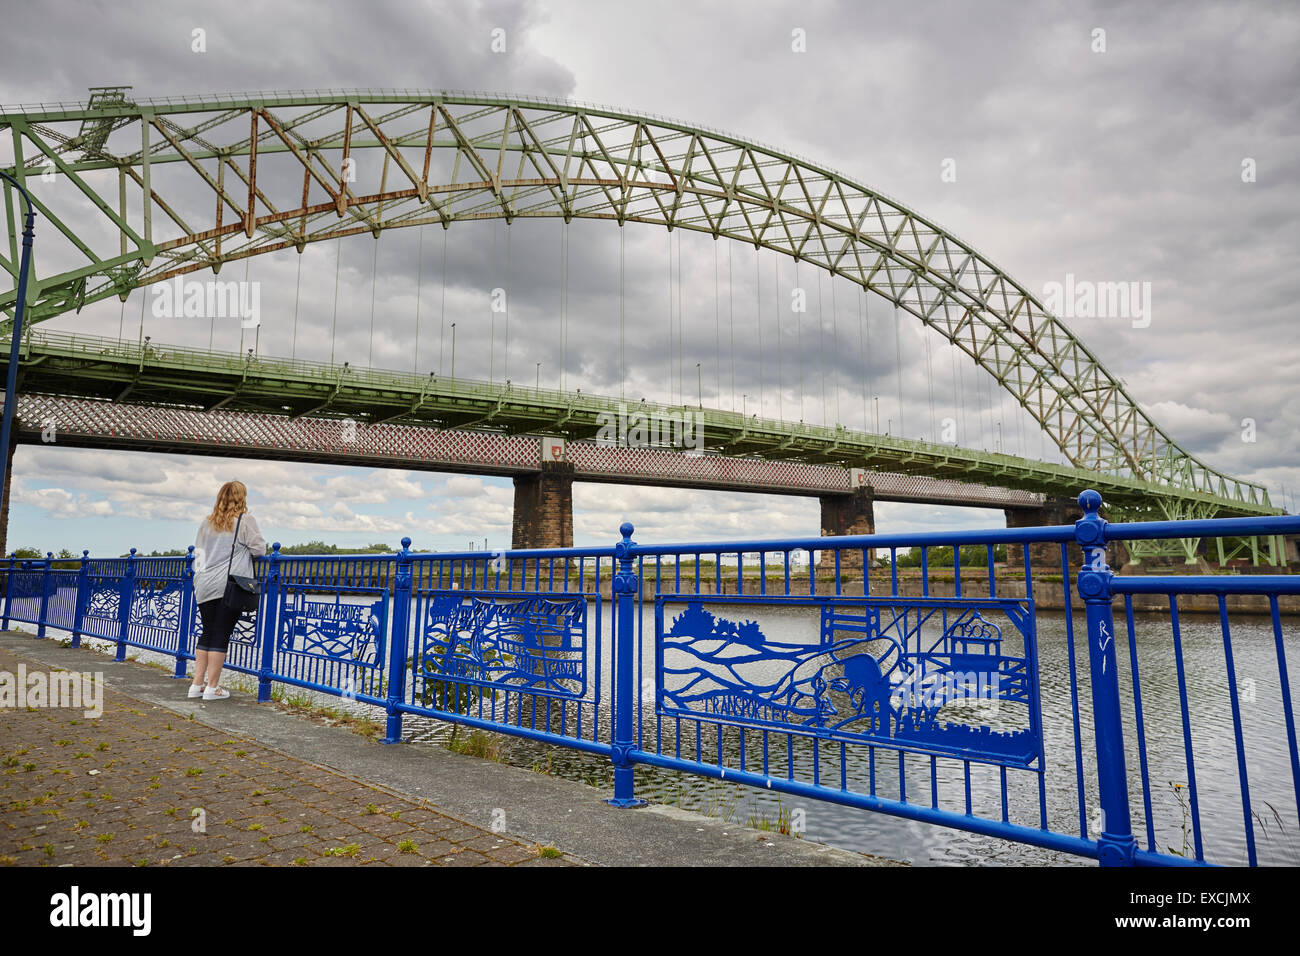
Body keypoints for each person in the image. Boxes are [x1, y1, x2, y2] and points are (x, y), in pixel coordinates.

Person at [189, 480, 267, 701]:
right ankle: (213, 689)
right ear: (241, 497)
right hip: (228, 586)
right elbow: (259, 549)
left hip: (204, 584)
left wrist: (200, 579)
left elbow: (199, 555)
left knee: (207, 632)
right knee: (221, 634)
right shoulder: (244, 520)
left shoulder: (207, 522)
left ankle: (196, 685)